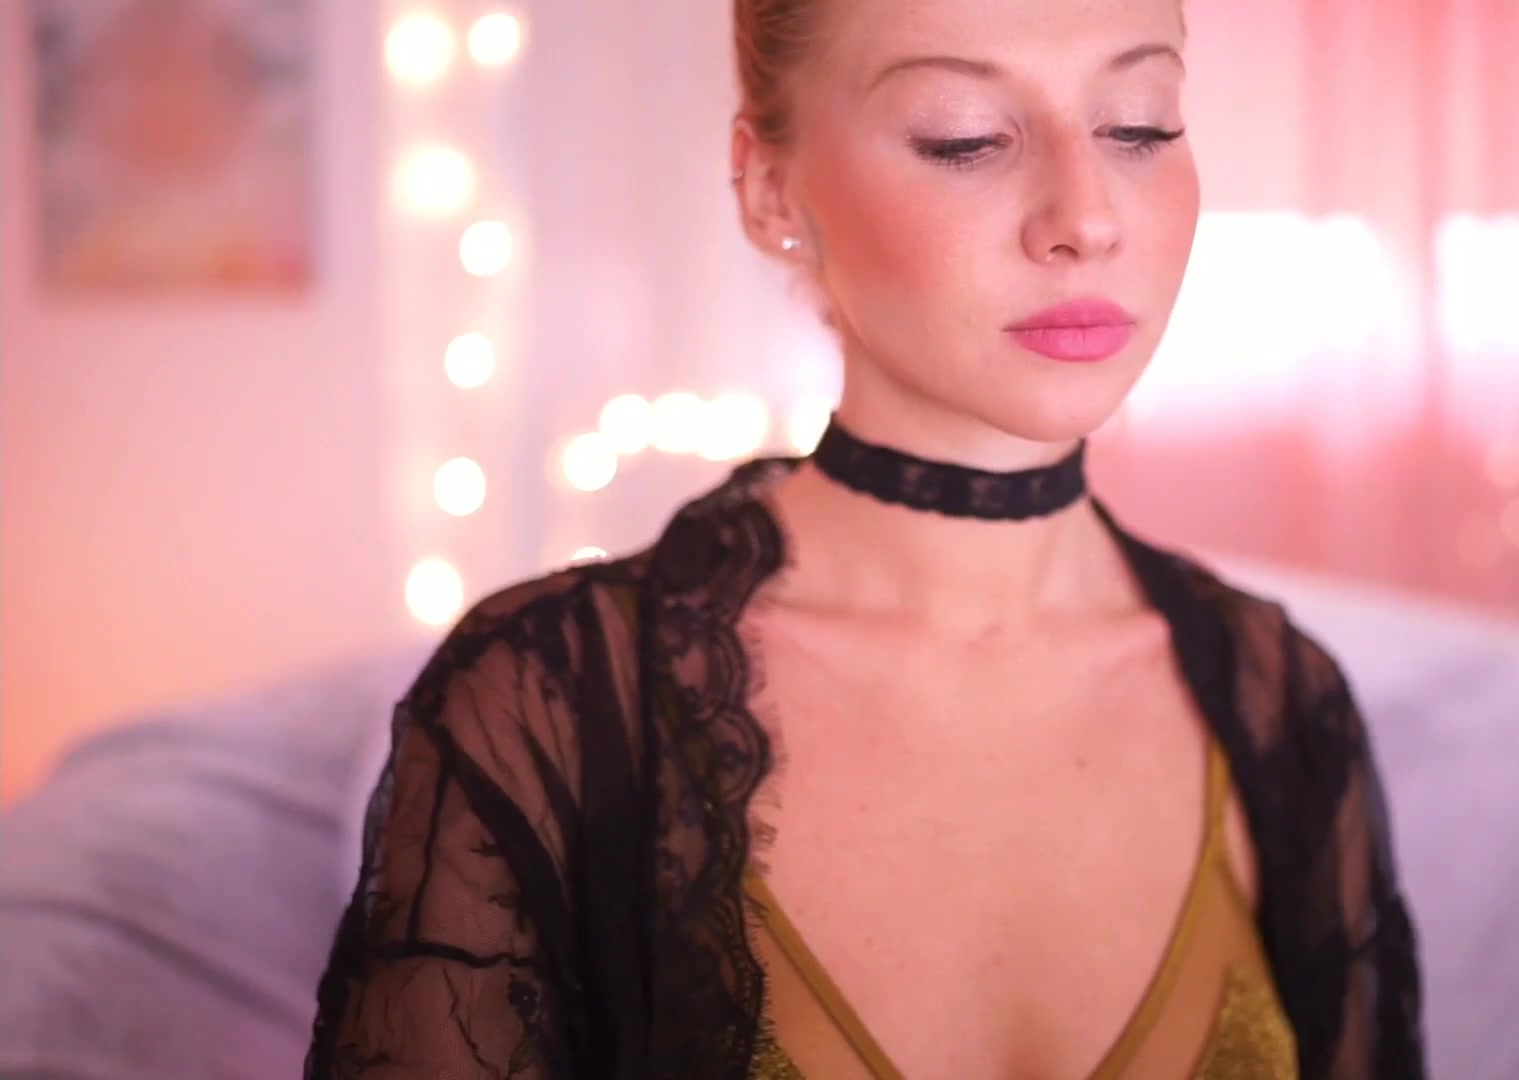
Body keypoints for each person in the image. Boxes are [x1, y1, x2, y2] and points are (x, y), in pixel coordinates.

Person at [304, 0, 1426, 1075]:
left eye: (1139, 127)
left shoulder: (1284, 702)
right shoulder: (543, 705)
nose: (1088, 218)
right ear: (769, 190)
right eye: (964, 138)